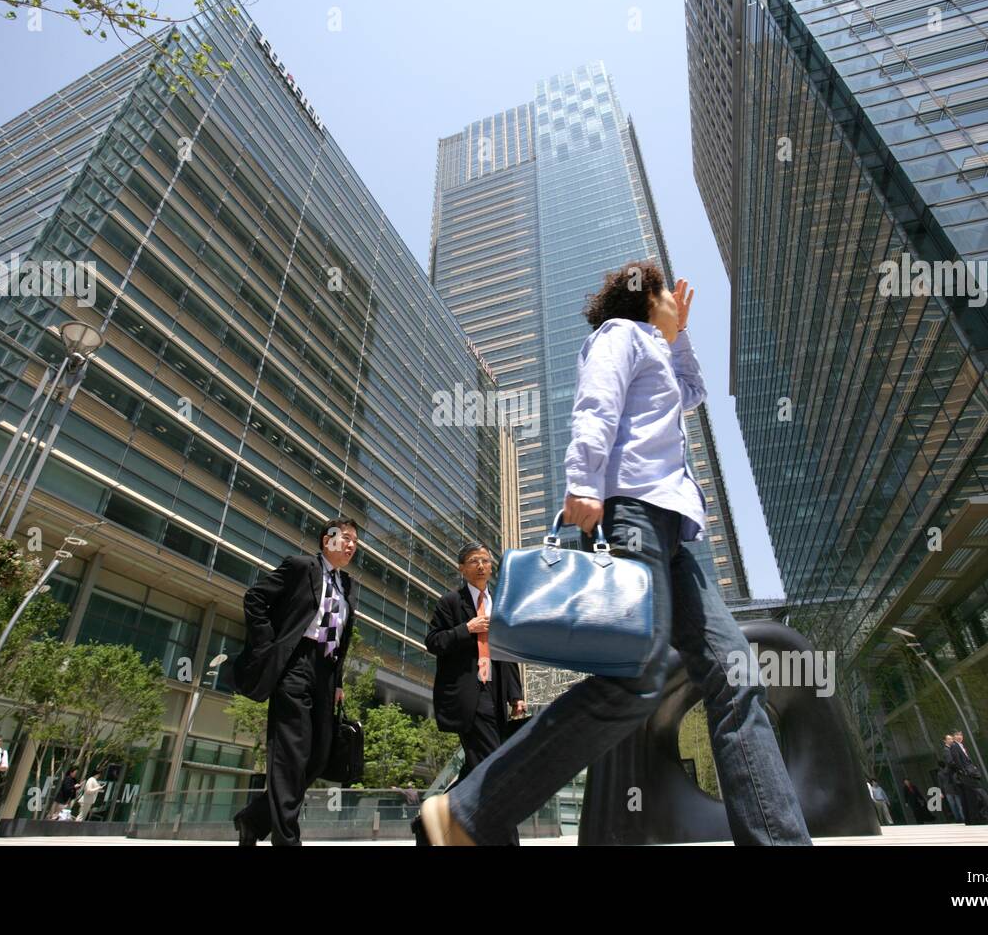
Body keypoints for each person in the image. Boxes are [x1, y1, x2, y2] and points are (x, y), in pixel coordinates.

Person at [414, 262, 811, 846]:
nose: (679, 299)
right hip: (631, 515)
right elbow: (596, 404)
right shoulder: (619, 337)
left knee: (735, 676)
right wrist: (583, 481)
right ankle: (467, 812)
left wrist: (679, 336)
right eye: (668, 293)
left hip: (672, 533)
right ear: (647, 297)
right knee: (637, 680)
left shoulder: (656, 346)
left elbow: (692, 392)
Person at [232, 518, 359, 846]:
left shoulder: (348, 585)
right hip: (295, 665)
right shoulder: (301, 567)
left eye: (354, 541)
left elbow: (341, 637)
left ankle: (254, 818)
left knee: (318, 756)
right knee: (291, 753)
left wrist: (338, 681)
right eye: (345, 538)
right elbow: (255, 599)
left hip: (326, 674)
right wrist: (269, 647)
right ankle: (286, 839)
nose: (351, 545)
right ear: (326, 539)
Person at [426, 541, 525, 844]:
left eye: (485, 560)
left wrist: (516, 695)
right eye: (473, 560)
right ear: (461, 568)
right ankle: (507, 840)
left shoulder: (500, 603)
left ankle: (437, 819)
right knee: (496, 764)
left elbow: (506, 653)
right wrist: (466, 628)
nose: (481, 565)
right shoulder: (450, 603)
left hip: (497, 694)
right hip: (469, 695)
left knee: (478, 765)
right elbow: (434, 642)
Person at [947, 731, 988, 824]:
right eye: (957, 735)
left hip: (968, 774)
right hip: (966, 775)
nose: (959, 737)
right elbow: (956, 760)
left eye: (961, 735)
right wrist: (963, 771)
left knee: (971, 797)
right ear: (953, 737)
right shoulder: (954, 746)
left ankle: (975, 819)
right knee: (982, 793)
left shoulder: (961, 746)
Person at [936, 756, 963, 823]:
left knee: (953, 806)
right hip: (955, 788)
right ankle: (963, 817)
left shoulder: (939, 773)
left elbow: (940, 784)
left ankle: (957, 819)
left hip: (947, 790)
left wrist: (940, 792)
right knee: (959, 805)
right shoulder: (950, 771)